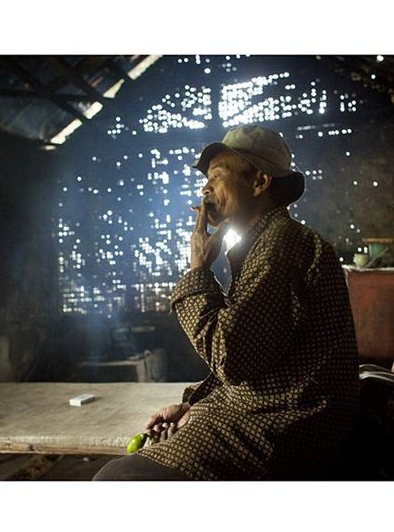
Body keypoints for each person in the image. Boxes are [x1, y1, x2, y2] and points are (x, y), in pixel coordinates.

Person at [94, 124, 359, 481]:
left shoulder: (280, 248)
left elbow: (231, 356)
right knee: (137, 460)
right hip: (264, 413)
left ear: (259, 182)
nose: (205, 188)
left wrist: (198, 269)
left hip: (285, 427)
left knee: (117, 478)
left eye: (217, 176)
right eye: (205, 180)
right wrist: (193, 406)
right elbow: (257, 357)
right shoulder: (266, 244)